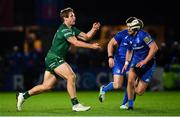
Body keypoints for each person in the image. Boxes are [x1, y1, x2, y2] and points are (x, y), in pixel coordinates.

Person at [16, 7, 101, 112]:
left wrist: (94, 29)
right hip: (54, 58)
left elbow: (87, 37)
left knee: (46, 86)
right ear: (65, 19)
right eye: (71, 16)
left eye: (74, 15)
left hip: (52, 58)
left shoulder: (72, 29)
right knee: (71, 76)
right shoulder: (64, 29)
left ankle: (23, 96)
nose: (74, 17)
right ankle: (76, 105)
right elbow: (75, 42)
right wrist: (91, 46)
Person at [122, 17, 158, 110]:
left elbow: (154, 48)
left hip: (148, 65)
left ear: (136, 28)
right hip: (135, 63)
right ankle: (130, 105)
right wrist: (126, 63)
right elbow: (129, 51)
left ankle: (137, 80)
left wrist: (145, 61)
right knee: (130, 81)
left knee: (139, 92)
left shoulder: (144, 35)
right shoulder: (128, 37)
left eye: (130, 27)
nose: (128, 29)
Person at [98, 23, 133, 110]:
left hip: (132, 62)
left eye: (131, 26)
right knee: (117, 85)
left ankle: (125, 104)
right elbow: (110, 44)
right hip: (119, 61)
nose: (129, 28)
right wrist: (110, 57)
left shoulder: (140, 36)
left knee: (132, 83)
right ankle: (104, 89)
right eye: (128, 26)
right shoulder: (122, 34)